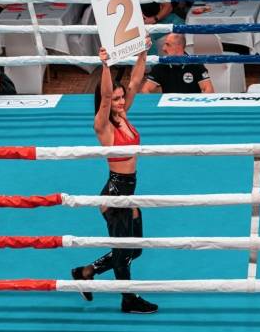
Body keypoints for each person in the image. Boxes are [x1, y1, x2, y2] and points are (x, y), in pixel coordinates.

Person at [71, 37, 158, 314]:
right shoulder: (103, 125)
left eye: (122, 98)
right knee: (123, 250)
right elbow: (107, 97)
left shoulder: (123, 116)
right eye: (116, 99)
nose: (120, 102)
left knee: (135, 249)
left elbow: (135, 81)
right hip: (115, 193)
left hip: (127, 192)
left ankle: (86, 272)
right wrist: (105, 65)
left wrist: (143, 53)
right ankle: (128, 299)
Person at [141, 33, 214, 94]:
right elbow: (145, 89)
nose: (163, 48)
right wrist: (153, 106)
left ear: (179, 47)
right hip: (169, 106)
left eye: (168, 45)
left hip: (191, 105)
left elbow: (209, 89)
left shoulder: (195, 64)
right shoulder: (160, 66)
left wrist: (198, 105)